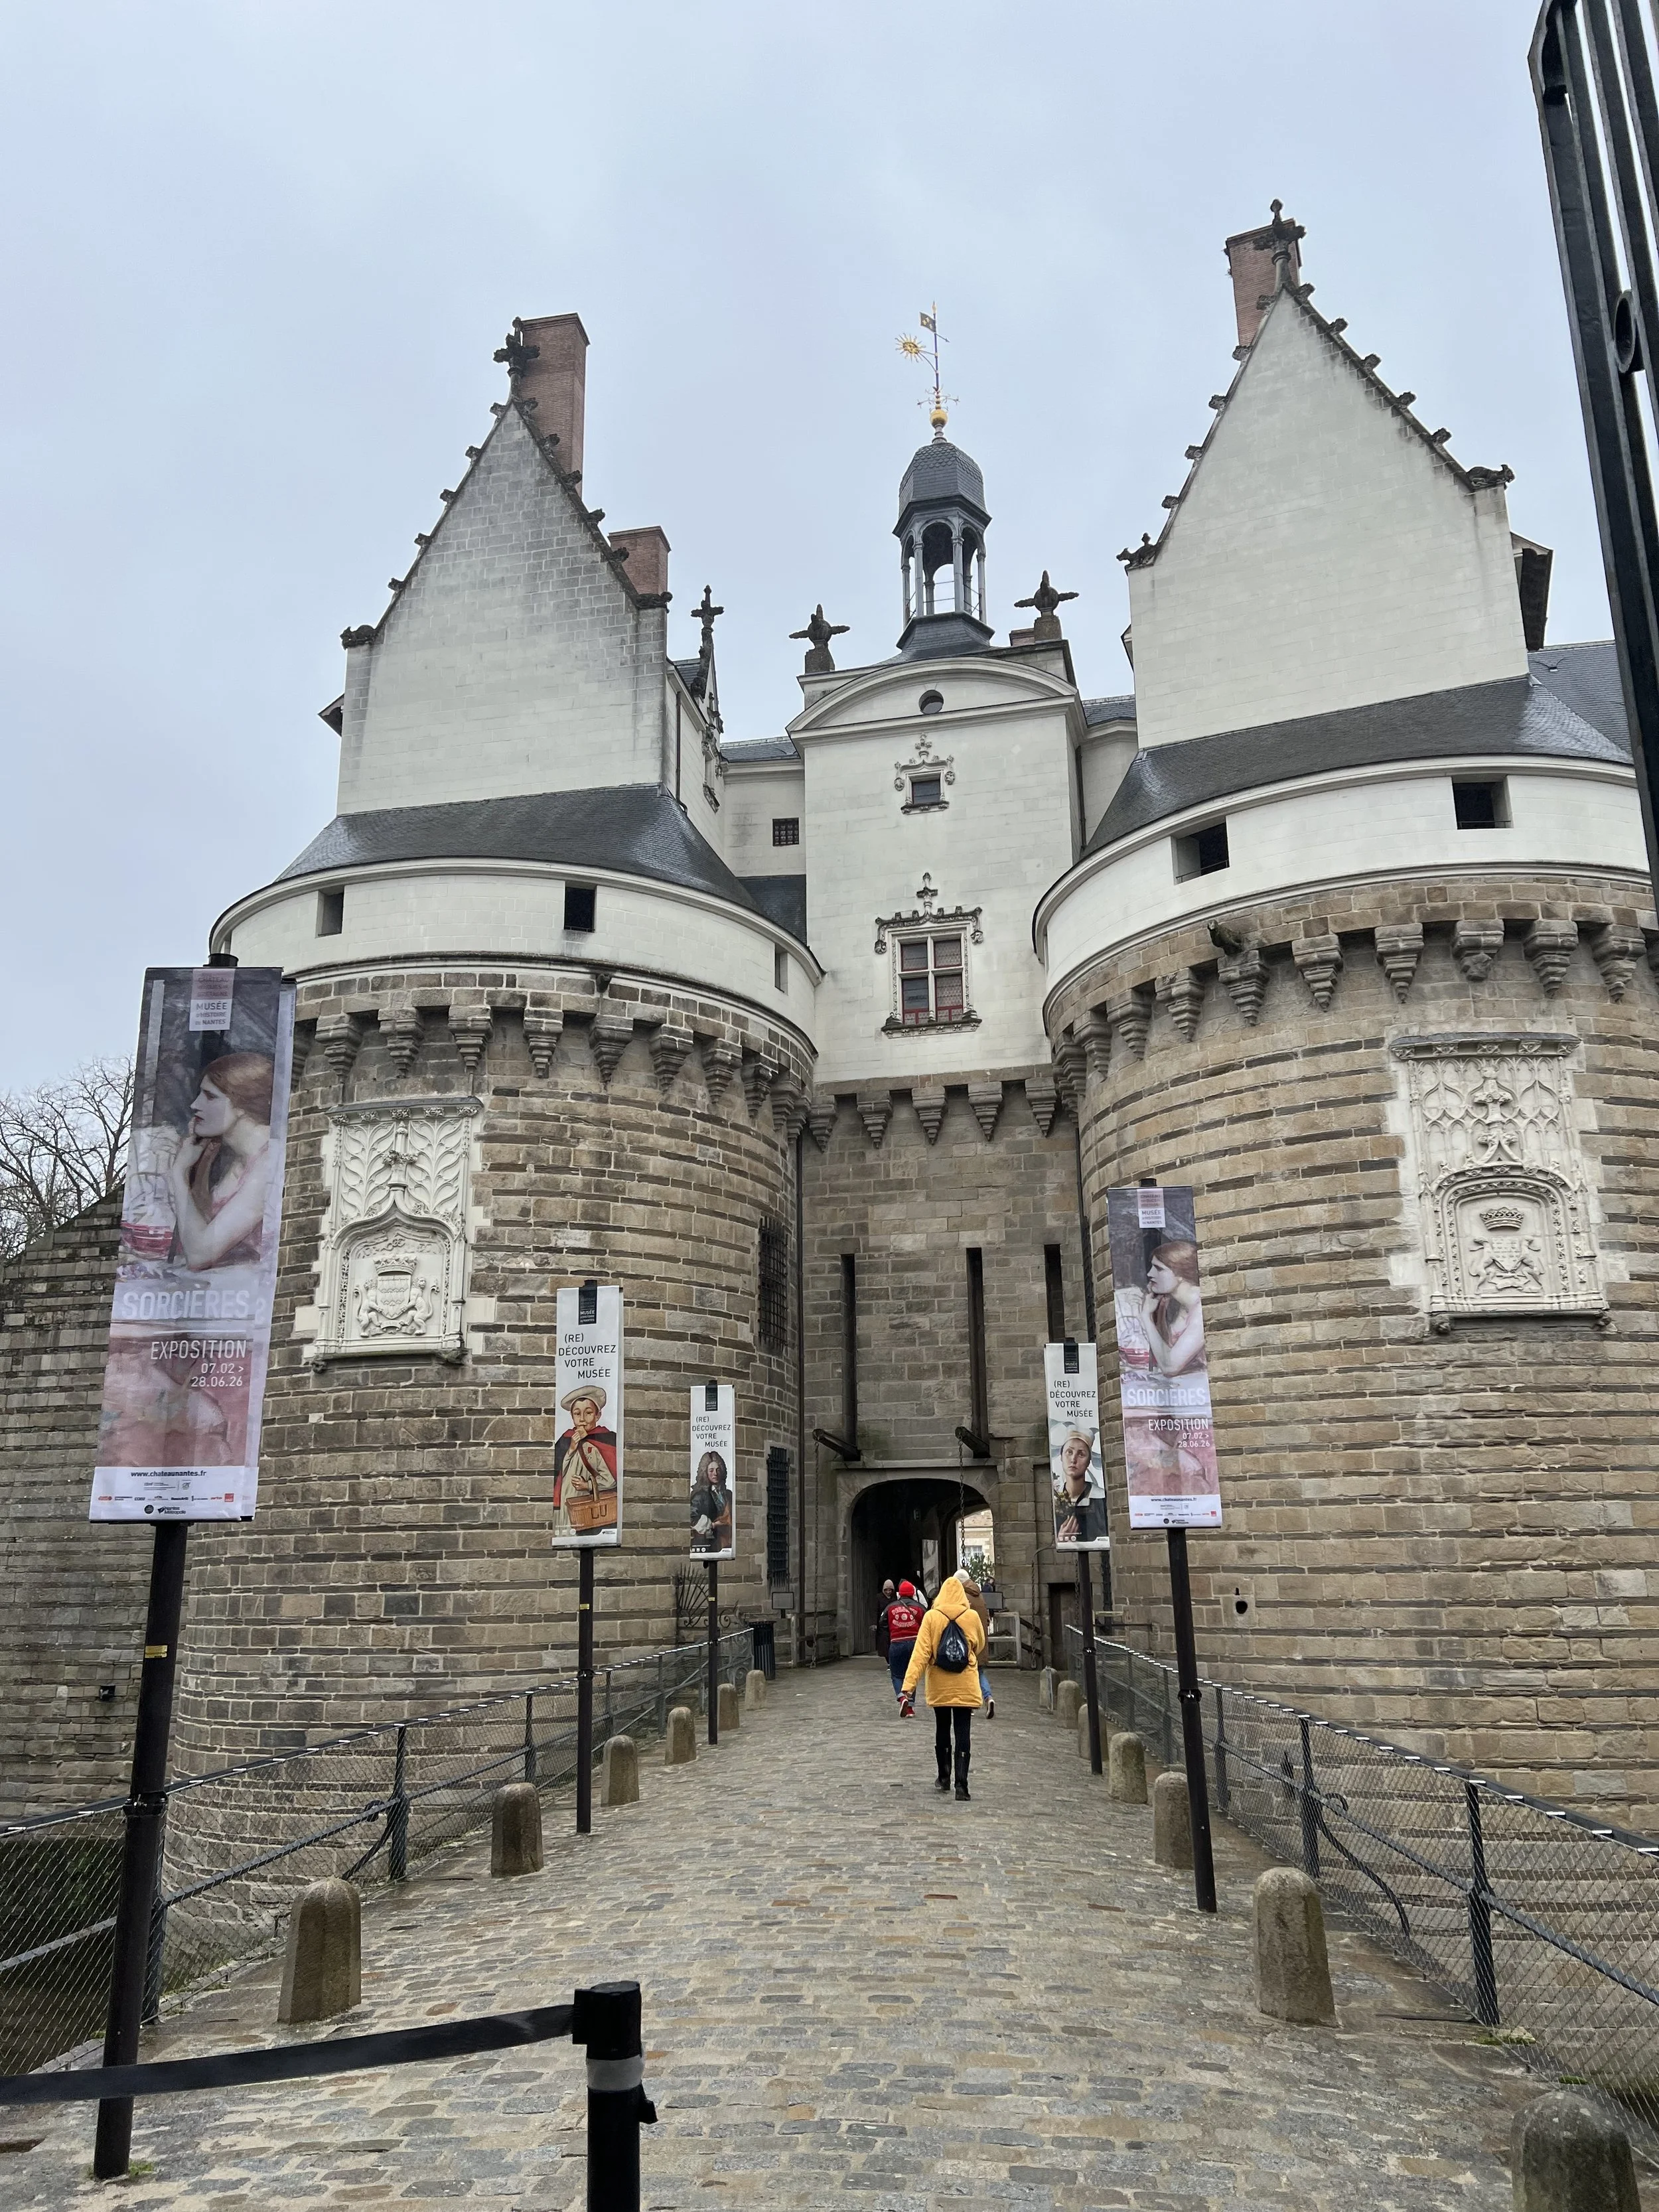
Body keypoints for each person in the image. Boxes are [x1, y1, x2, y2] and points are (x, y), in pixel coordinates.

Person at [164, 1053, 277, 1271]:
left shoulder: (269, 1163)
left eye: (210, 1096)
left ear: (242, 1104)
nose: (195, 1105)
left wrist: (179, 1174)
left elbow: (199, 1255)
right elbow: (198, 1230)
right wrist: (201, 1168)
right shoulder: (239, 1160)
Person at [899, 1574, 985, 1799]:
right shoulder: (972, 1616)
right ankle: (962, 1787)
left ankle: (944, 1777)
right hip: (965, 1683)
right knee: (963, 1732)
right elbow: (980, 1645)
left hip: (940, 1683)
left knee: (943, 1728)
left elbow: (920, 1654)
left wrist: (908, 1687)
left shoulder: (931, 1617)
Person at [552, 1384, 618, 1535]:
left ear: (598, 1415)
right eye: (577, 1414)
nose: (582, 1419)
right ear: (572, 1416)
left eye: (588, 1413)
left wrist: (587, 1485)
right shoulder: (566, 1439)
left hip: (588, 1506)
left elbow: (611, 1480)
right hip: (565, 1503)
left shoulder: (607, 1440)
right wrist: (571, 1448)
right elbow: (557, 1471)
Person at [1140, 1241, 1206, 1376]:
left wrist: (1146, 1317)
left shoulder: (1200, 1309)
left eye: (1159, 1269)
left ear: (1180, 1273)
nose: (1150, 1274)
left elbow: (1170, 1366)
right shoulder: (1175, 1304)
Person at [1054, 1428, 1108, 1544]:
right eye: (1069, 1452)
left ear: (1089, 1461)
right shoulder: (1054, 1498)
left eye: (1081, 1454)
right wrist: (1061, 1541)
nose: (1073, 1460)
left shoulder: (1102, 1498)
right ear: (1061, 1457)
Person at [883, 1580, 926, 1705]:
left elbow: (883, 1623)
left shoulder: (891, 1607)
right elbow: (927, 1624)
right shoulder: (920, 1608)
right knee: (911, 1674)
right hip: (914, 1643)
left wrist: (892, 1631)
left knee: (896, 1675)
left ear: (899, 1594)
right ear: (913, 1594)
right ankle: (910, 1706)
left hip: (897, 1643)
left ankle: (902, 1698)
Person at [959, 1570, 994, 1720]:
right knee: (979, 1672)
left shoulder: (963, 1596)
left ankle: (970, 1705)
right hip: (981, 1640)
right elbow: (987, 1619)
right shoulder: (979, 1595)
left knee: (966, 1673)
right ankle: (988, 1697)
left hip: (968, 1641)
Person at [689, 1449, 732, 1553]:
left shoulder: (728, 1494)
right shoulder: (700, 1496)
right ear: (705, 1473)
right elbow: (692, 1518)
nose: (715, 1474)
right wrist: (711, 1524)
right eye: (711, 1470)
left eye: (718, 1470)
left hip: (728, 1542)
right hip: (709, 1543)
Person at [875, 1579, 897, 1661]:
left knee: (892, 1642)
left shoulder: (895, 1598)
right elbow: (876, 1611)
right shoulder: (879, 1598)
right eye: (886, 1590)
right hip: (882, 1624)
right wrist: (875, 1624)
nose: (888, 1592)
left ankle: (892, 1660)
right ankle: (888, 1661)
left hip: (893, 1623)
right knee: (884, 1644)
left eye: (890, 1590)